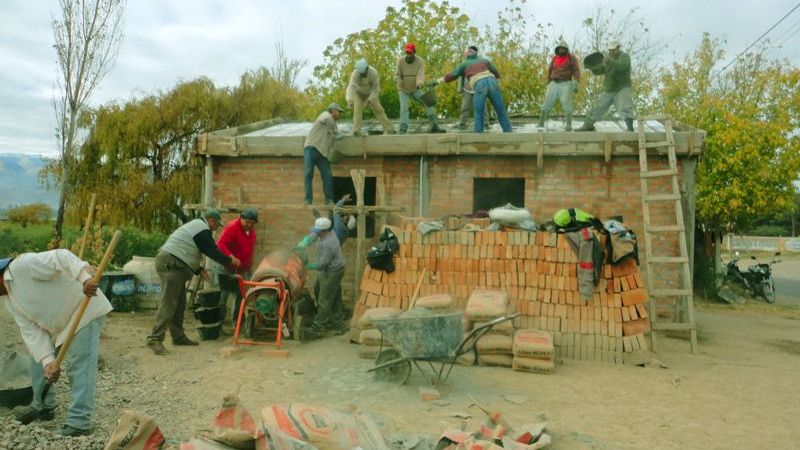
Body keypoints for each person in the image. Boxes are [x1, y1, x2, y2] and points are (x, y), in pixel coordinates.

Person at [1, 250, 108, 436]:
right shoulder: (9, 300)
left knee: (79, 365)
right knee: (37, 361)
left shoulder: (22, 266)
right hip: (58, 325)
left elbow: (61, 257)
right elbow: (32, 332)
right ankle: (43, 405)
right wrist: (48, 361)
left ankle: (79, 422)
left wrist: (85, 279)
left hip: (84, 309)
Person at [146, 209, 240, 355]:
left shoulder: (196, 228)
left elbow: (187, 251)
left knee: (180, 303)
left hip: (174, 264)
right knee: (169, 303)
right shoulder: (201, 227)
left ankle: (178, 337)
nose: (216, 229)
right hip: (171, 265)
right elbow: (211, 251)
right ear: (211, 221)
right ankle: (154, 339)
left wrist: (198, 269)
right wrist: (230, 260)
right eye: (216, 225)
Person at [433, 46, 513, 133]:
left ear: (467, 56)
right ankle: (508, 132)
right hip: (492, 82)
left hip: (480, 84)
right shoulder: (484, 60)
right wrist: (497, 78)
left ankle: (478, 135)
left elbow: (451, 75)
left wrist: (437, 81)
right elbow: (495, 71)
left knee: (479, 112)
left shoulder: (464, 64)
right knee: (500, 110)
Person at [577, 41, 636, 132]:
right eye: (610, 50)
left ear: (618, 48)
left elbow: (622, 66)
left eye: (613, 50)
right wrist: (593, 68)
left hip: (622, 87)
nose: (611, 52)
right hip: (609, 88)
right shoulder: (608, 58)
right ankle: (588, 125)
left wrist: (609, 61)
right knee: (598, 107)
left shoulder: (624, 57)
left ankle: (630, 128)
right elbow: (601, 71)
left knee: (625, 106)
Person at [304, 217, 347, 337]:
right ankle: (338, 322)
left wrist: (308, 265)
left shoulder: (329, 243)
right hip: (329, 269)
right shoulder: (326, 233)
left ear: (324, 231)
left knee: (325, 297)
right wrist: (305, 242)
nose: (315, 233)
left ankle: (318, 327)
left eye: (318, 231)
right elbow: (314, 235)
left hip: (333, 271)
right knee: (324, 291)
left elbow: (323, 264)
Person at [215, 207, 258, 327]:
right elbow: (220, 245)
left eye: (252, 223)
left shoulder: (251, 231)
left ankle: (237, 323)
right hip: (226, 267)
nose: (249, 225)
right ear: (241, 218)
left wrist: (249, 266)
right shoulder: (232, 227)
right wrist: (232, 258)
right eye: (247, 222)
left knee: (240, 296)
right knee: (223, 295)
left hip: (242, 269)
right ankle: (218, 322)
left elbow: (249, 249)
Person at [395, 42, 443, 134]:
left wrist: (419, 83)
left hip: (416, 88)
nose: (409, 55)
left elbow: (420, 74)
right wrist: (398, 80)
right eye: (407, 53)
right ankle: (403, 129)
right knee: (404, 108)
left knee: (428, 103)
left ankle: (434, 126)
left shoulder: (420, 61)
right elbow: (397, 74)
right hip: (403, 89)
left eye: (410, 53)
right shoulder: (400, 61)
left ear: (414, 52)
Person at [304, 103, 345, 205]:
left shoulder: (334, 125)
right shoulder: (325, 115)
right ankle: (308, 199)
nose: (340, 114)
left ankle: (329, 200)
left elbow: (335, 136)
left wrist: (337, 134)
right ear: (333, 110)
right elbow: (325, 120)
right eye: (339, 111)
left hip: (323, 153)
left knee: (328, 176)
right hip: (311, 148)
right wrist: (336, 133)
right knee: (308, 173)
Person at [538, 41, 581, 131]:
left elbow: (576, 70)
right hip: (554, 82)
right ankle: (541, 121)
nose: (561, 50)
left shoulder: (571, 58)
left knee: (566, 103)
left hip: (566, 83)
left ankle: (569, 124)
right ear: (558, 49)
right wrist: (548, 81)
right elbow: (550, 69)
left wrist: (576, 82)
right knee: (547, 102)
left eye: (563, 48)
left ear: (566, 49)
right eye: (560, 48)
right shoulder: (555, 58)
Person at [347, 59, 394, 136]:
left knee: (379, 110)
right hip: (358, 93)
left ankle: (389, 129)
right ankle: (356, 132)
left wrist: (369, 100)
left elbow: (376, 89)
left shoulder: (373, 73)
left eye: (364, 73)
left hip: (371, 93)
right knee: (357, 110)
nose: (363, 75)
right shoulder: (355, 74)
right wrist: (349, 99)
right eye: (361, 74)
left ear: (367, 68)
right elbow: (351, 87)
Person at [457, 45, 488, 130]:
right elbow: (461, 77)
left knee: (483, 107)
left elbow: (485, 76)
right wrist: (460, 89)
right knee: (464, 107)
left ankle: (486, 123)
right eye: (468, 52)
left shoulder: (481, 62)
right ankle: (462, 123)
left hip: (479, 89)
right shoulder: (465, 63)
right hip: (467, 90)